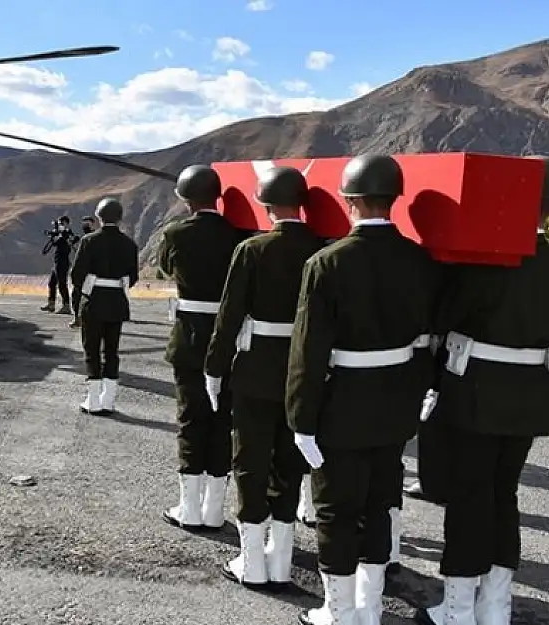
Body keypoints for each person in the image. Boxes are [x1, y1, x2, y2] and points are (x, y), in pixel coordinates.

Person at [286, 154, 441, 625]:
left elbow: (308, 353)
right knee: (379, 505)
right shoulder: (420, 260)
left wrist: (301, 418)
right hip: (395, 404)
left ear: (348, 200)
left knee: (335, 508)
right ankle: (370, 609)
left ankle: (338, 611)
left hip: (342, 405)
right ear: (395, 198)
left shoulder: (326, 263)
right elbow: (428, 338)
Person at [415, 155, 549, 625]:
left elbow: (441, 317)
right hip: (530, 395)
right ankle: (496, 607)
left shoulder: (483, 260)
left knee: (469, 497)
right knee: (503, 496)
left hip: (472, 392)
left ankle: (456, 610)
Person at [204, 166, 323, 589]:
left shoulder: (252, 249)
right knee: (289, 465)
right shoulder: (322, 247)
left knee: (250, 461)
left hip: (255, 371)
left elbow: (229, 315)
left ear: (266, 203)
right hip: (302, 371)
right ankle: (282, 560)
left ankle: (252, 562)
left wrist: (214, 367)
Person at [158, 164, 244, 532]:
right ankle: (214, 509)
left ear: (185, 198)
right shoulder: (237, 235)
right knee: (222, 421)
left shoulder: (176, 232)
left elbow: (164, 268)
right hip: (230, 339)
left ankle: (189, 507)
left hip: (191, 336)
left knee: (191, 420)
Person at [70, 198, 140, 414]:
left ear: (99, 216)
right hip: (117, 302)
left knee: (91, 350)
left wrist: (88, 287)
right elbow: (133, 277)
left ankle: (92, 400)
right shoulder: (130, 244)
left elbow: (76, 275)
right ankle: (108, 399)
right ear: (120, 217)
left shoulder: (89, 241)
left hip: (93, 302)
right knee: (112, 351)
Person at [42, 215, 76, 315]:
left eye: (61, 223)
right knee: (52, 283)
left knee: (62, 284)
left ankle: (66, 306)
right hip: (57, 262)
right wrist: (54, 236)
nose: (59, 226)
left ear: (66, 223)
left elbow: (72, 241)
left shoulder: (68, 234)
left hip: (63, 262)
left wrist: (62, 235)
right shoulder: (59, 234)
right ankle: (51, 304)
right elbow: (54, 243)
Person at [69, 215, 98, 329]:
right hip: (82, 272)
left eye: (88, 223)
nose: (85, 225)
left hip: (92, 273)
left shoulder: (95, 238)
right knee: (76, 296)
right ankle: (77, 318)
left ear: (93, 224)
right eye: (84, 223)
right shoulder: (82, 238)